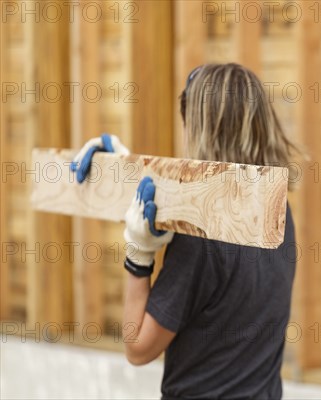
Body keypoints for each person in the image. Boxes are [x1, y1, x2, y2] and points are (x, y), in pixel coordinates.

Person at [71, 63, 300, 399]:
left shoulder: (201, 234)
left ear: (201, 129)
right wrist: (124, 170)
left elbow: (138, 348)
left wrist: (138, 257)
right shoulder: (277, 209)